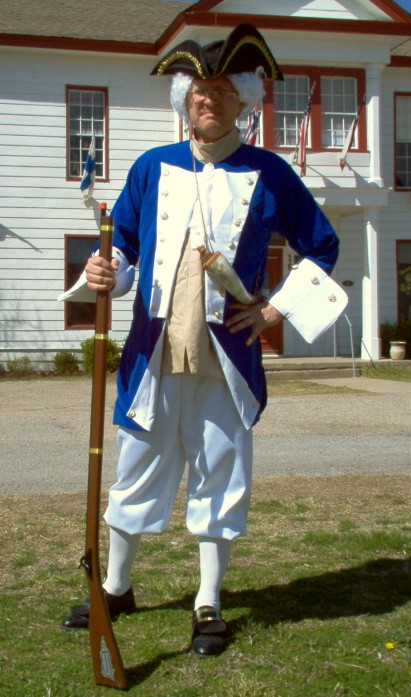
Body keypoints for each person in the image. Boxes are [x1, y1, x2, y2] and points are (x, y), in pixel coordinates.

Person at [61, 23, 340, 657]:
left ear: (243, 101)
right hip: (153, 355)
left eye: (220, 91)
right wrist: (106, 273)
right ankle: (117, 586)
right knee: (135, 474)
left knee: (220, 476)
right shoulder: (151, 167)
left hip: (227, 357)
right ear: (185, 99)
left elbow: (321, 248)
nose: (207, 101)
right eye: (198, 91)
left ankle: (208, 602)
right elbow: (126, 251)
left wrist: (272, 310)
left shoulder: (270, 173)